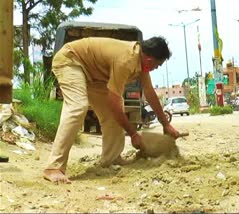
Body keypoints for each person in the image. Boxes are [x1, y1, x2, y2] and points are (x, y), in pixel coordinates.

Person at [43, 36, 180, 184]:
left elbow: (149, 92)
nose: (156, 69)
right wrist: (133, 133)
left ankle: (112, 158)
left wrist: (166, 124)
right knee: (78, 106)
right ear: (149, 60)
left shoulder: (140, 61)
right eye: (157, 65)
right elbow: (113, 102)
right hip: (71, 61)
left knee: (111, 114)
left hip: (94, 76)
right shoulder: (126, 60)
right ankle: (54, 167)